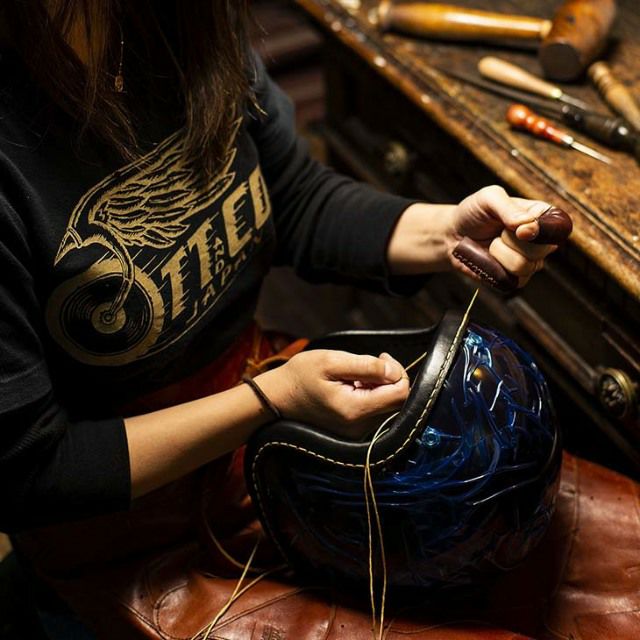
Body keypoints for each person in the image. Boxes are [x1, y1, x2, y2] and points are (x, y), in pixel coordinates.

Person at [0, 1, 559, 638]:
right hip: (120, 536)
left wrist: (449, 234)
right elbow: (29, 472)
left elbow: (288, 197)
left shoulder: (174, 19)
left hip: (258, 440)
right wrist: (270, 399)